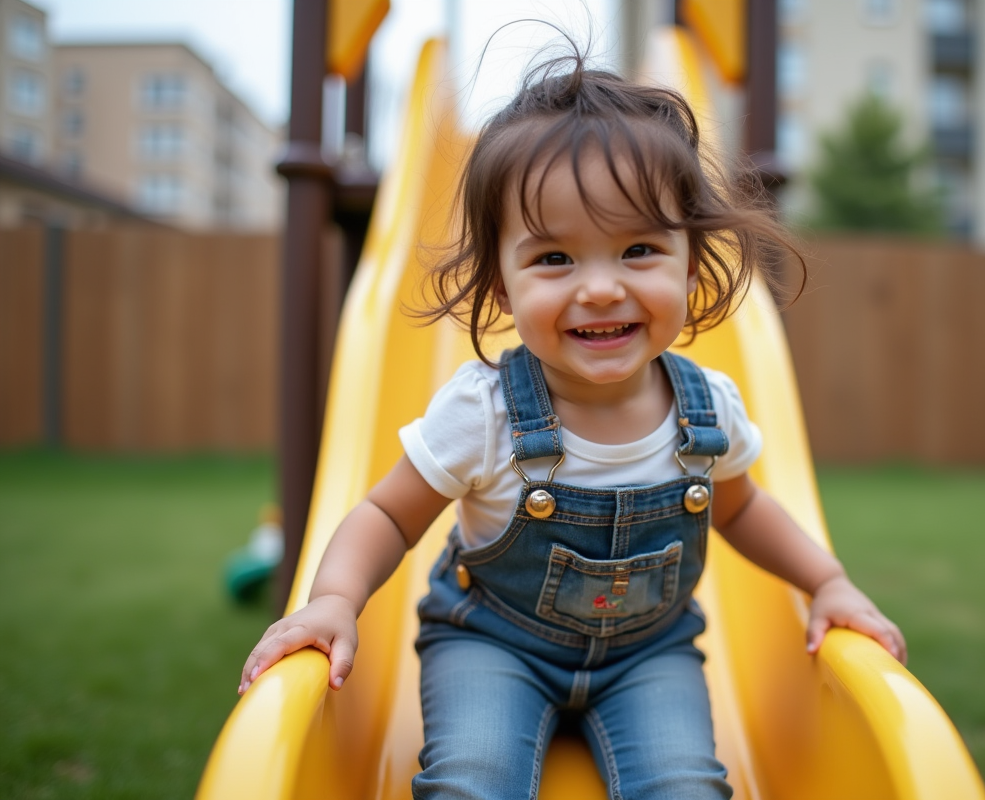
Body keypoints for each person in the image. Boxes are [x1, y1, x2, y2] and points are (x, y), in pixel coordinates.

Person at [239, 52, 906, 800]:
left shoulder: (707, 408)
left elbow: (742, 508)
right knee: (471, 779)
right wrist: (335, 597)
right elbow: (389, 514)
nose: (600, 288)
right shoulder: (485, 412)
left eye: (639, 250)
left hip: (649, 657)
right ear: (502, 285)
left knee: (686, 786)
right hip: (492, 646)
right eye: (555, 258)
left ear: (691, 266)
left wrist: (827, 581)